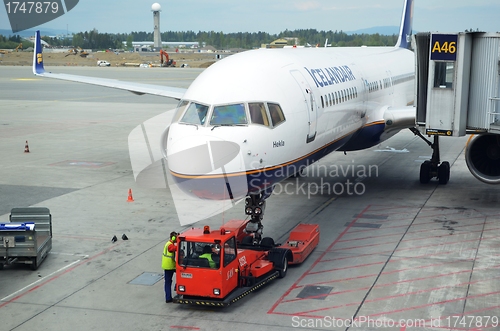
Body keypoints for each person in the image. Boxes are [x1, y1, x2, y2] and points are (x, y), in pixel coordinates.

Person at [162, 231, 178, 303]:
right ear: (174, 237)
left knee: (168, 282)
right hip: (169, 266)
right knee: (168, 282)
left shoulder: (168, 243)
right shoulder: (169, 245)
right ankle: (169, 297)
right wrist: (179, 245)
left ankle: (168, 297)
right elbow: (171, 249)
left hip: (170, 265)